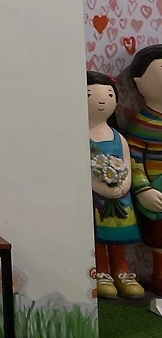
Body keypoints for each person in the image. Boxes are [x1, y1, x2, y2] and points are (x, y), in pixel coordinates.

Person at [88, 70, 144, 299]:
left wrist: (124, 185)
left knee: (118, 234)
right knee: (99, 234)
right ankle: (101, 270)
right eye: (90, 95)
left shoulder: (118, 137)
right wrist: (99, 187)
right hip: (95, 198)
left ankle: (122, 270)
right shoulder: (81, 137)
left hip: (121, 196)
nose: (102, 101)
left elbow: (128, 164)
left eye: (109, 95)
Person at [126, 45, 162, 295]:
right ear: (139, 81)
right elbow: (134, 159)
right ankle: (159, 275)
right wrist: (143, 189)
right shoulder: (143, 123)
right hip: (156, 190)